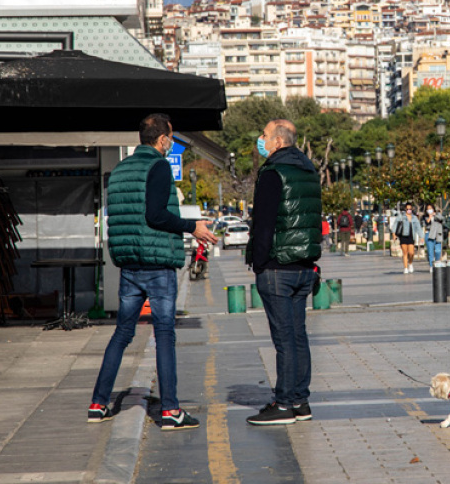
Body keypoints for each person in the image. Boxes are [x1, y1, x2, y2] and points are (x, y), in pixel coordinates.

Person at [90, 113, 216, 430]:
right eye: (170, 137)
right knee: (164, 334)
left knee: (122, 333)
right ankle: (171, 410)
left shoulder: (121, 169)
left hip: (129, 262)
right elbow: (156, 216)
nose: (171, 142)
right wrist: (193, 227)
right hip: (157, 262)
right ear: (162, 139)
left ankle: (98, 403)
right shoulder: (158, 166)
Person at [246, 119, 322, 426]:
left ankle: (284, 404)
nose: (260, 139)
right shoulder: (309, 170)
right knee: (298, 336)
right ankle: (301, 401)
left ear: (278, 141)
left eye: (264, 135)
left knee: (284, 338)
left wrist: (259, 262)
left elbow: (264, 223)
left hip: (278, 267)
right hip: (304, 266)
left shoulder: (273, 172)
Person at [390, 203, 423, 274]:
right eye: (407, 209)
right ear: (405, 209)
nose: (409, 210)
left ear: (412, 209)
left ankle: (410, 263)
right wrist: (393, 234)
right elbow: (395, 225)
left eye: (410, 209)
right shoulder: (401, 216)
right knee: (405, 253)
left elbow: (418, 227)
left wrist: (421, 236)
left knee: (411, 253)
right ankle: (405, 268)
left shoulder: (414, 218)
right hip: (403, 236)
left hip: (411, 236)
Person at [423, 204, 445, 269]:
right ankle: (431, 266)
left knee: (438, 250)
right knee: (430, 251)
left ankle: (437, 263)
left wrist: (435, 215)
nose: (429, 210)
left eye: (431, 208)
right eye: (428, 209)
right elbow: (425, 223)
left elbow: (443, 220)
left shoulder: (437, 214)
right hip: (429, 234)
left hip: (437, 234)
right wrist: (430, 217)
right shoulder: (425, 216)